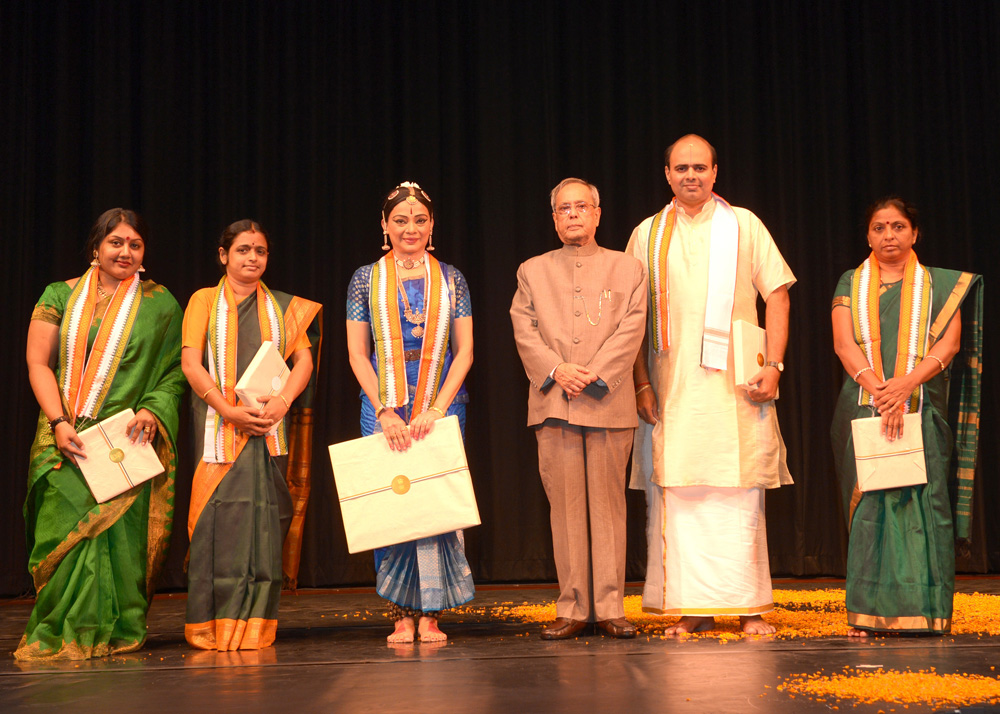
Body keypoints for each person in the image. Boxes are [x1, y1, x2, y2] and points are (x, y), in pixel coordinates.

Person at [626, 135, 795, 635]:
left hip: (736, 390)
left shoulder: (744, 224)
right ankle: (693, 607)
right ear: (667, 174)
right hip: (671, 390)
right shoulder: (647, 234)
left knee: (737, 492)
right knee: (682, 493)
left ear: (716, 172)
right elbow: (631, 320)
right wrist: (640, 384)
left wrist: (776, 365)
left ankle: (747, 607)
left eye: (700, 167)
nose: (690, 175)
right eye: (681, 168)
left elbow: (778, 294)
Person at [17, 209, 185, 660]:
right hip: (67, 438)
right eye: (116, 242)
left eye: (135, 244)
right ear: (97, 247)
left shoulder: (161, 303)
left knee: (118, 542)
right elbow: (38, 363)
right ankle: (57, 632)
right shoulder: (59, 295)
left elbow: (174, 372)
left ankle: (113, 630)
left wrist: (152, 408)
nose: (125, 252)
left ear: (144, 253)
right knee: (63, 535)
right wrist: (59, 422)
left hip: (124, 443)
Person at [831, 197, 983, 636]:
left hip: (921, 402)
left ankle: (927, 611)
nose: (888, 236)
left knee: (924, 506)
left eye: (898, 227)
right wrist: (879, 388)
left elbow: (948, 346)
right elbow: (844, 343)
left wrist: (905, 386)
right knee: (870, 508)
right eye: (879, 228)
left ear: (914, 233)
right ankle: (865, 613)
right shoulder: (850, 282)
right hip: (864, 402)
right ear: (868, 236)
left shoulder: (941, 285)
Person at [511, 178, 646, 640]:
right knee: (565, 508)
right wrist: (556, 369)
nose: (573, 214)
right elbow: (524, 328)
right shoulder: (532, 270)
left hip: (607, 399)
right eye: (564, 208)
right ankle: (571, 606)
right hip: (553, 401)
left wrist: (591, 373)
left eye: (581, 206)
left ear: (597, 213)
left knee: (608, 507)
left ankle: (610, 606)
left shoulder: (629, 269)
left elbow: (632, 328)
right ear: (554, 218)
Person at [182, 219, 322, 651]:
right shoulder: (204, 300)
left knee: (264, 524)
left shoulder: (284, 307)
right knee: (218, 524)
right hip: (220, 432)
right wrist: (228, 412)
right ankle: (210, 626)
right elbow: (191, 363)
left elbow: (303, 361)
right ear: (223, 255)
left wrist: (281, 403)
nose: (252, 258)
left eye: (260, 251)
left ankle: (257, 625)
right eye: (243, 250)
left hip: (268, 429)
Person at [346, 181, 475, 644]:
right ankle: (400, 613)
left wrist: (437, 409)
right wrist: (384, 409)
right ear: (384, 225)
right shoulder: (366, 279)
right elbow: (358, 354)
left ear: (432, 225)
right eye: (400, 220)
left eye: (420, 219)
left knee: (437, 506)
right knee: (393, 504)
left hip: (440, 410)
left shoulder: (452, 278)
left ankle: (433, 614)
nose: (410, 228)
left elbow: (465, 353)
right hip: (385, 411)